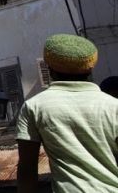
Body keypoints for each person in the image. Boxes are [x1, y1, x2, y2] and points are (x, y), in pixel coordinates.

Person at [15, 34, 118, 193]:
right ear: (90, 67)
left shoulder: (34, 106)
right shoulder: (113, 105)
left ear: (49, 67)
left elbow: (27, 169)